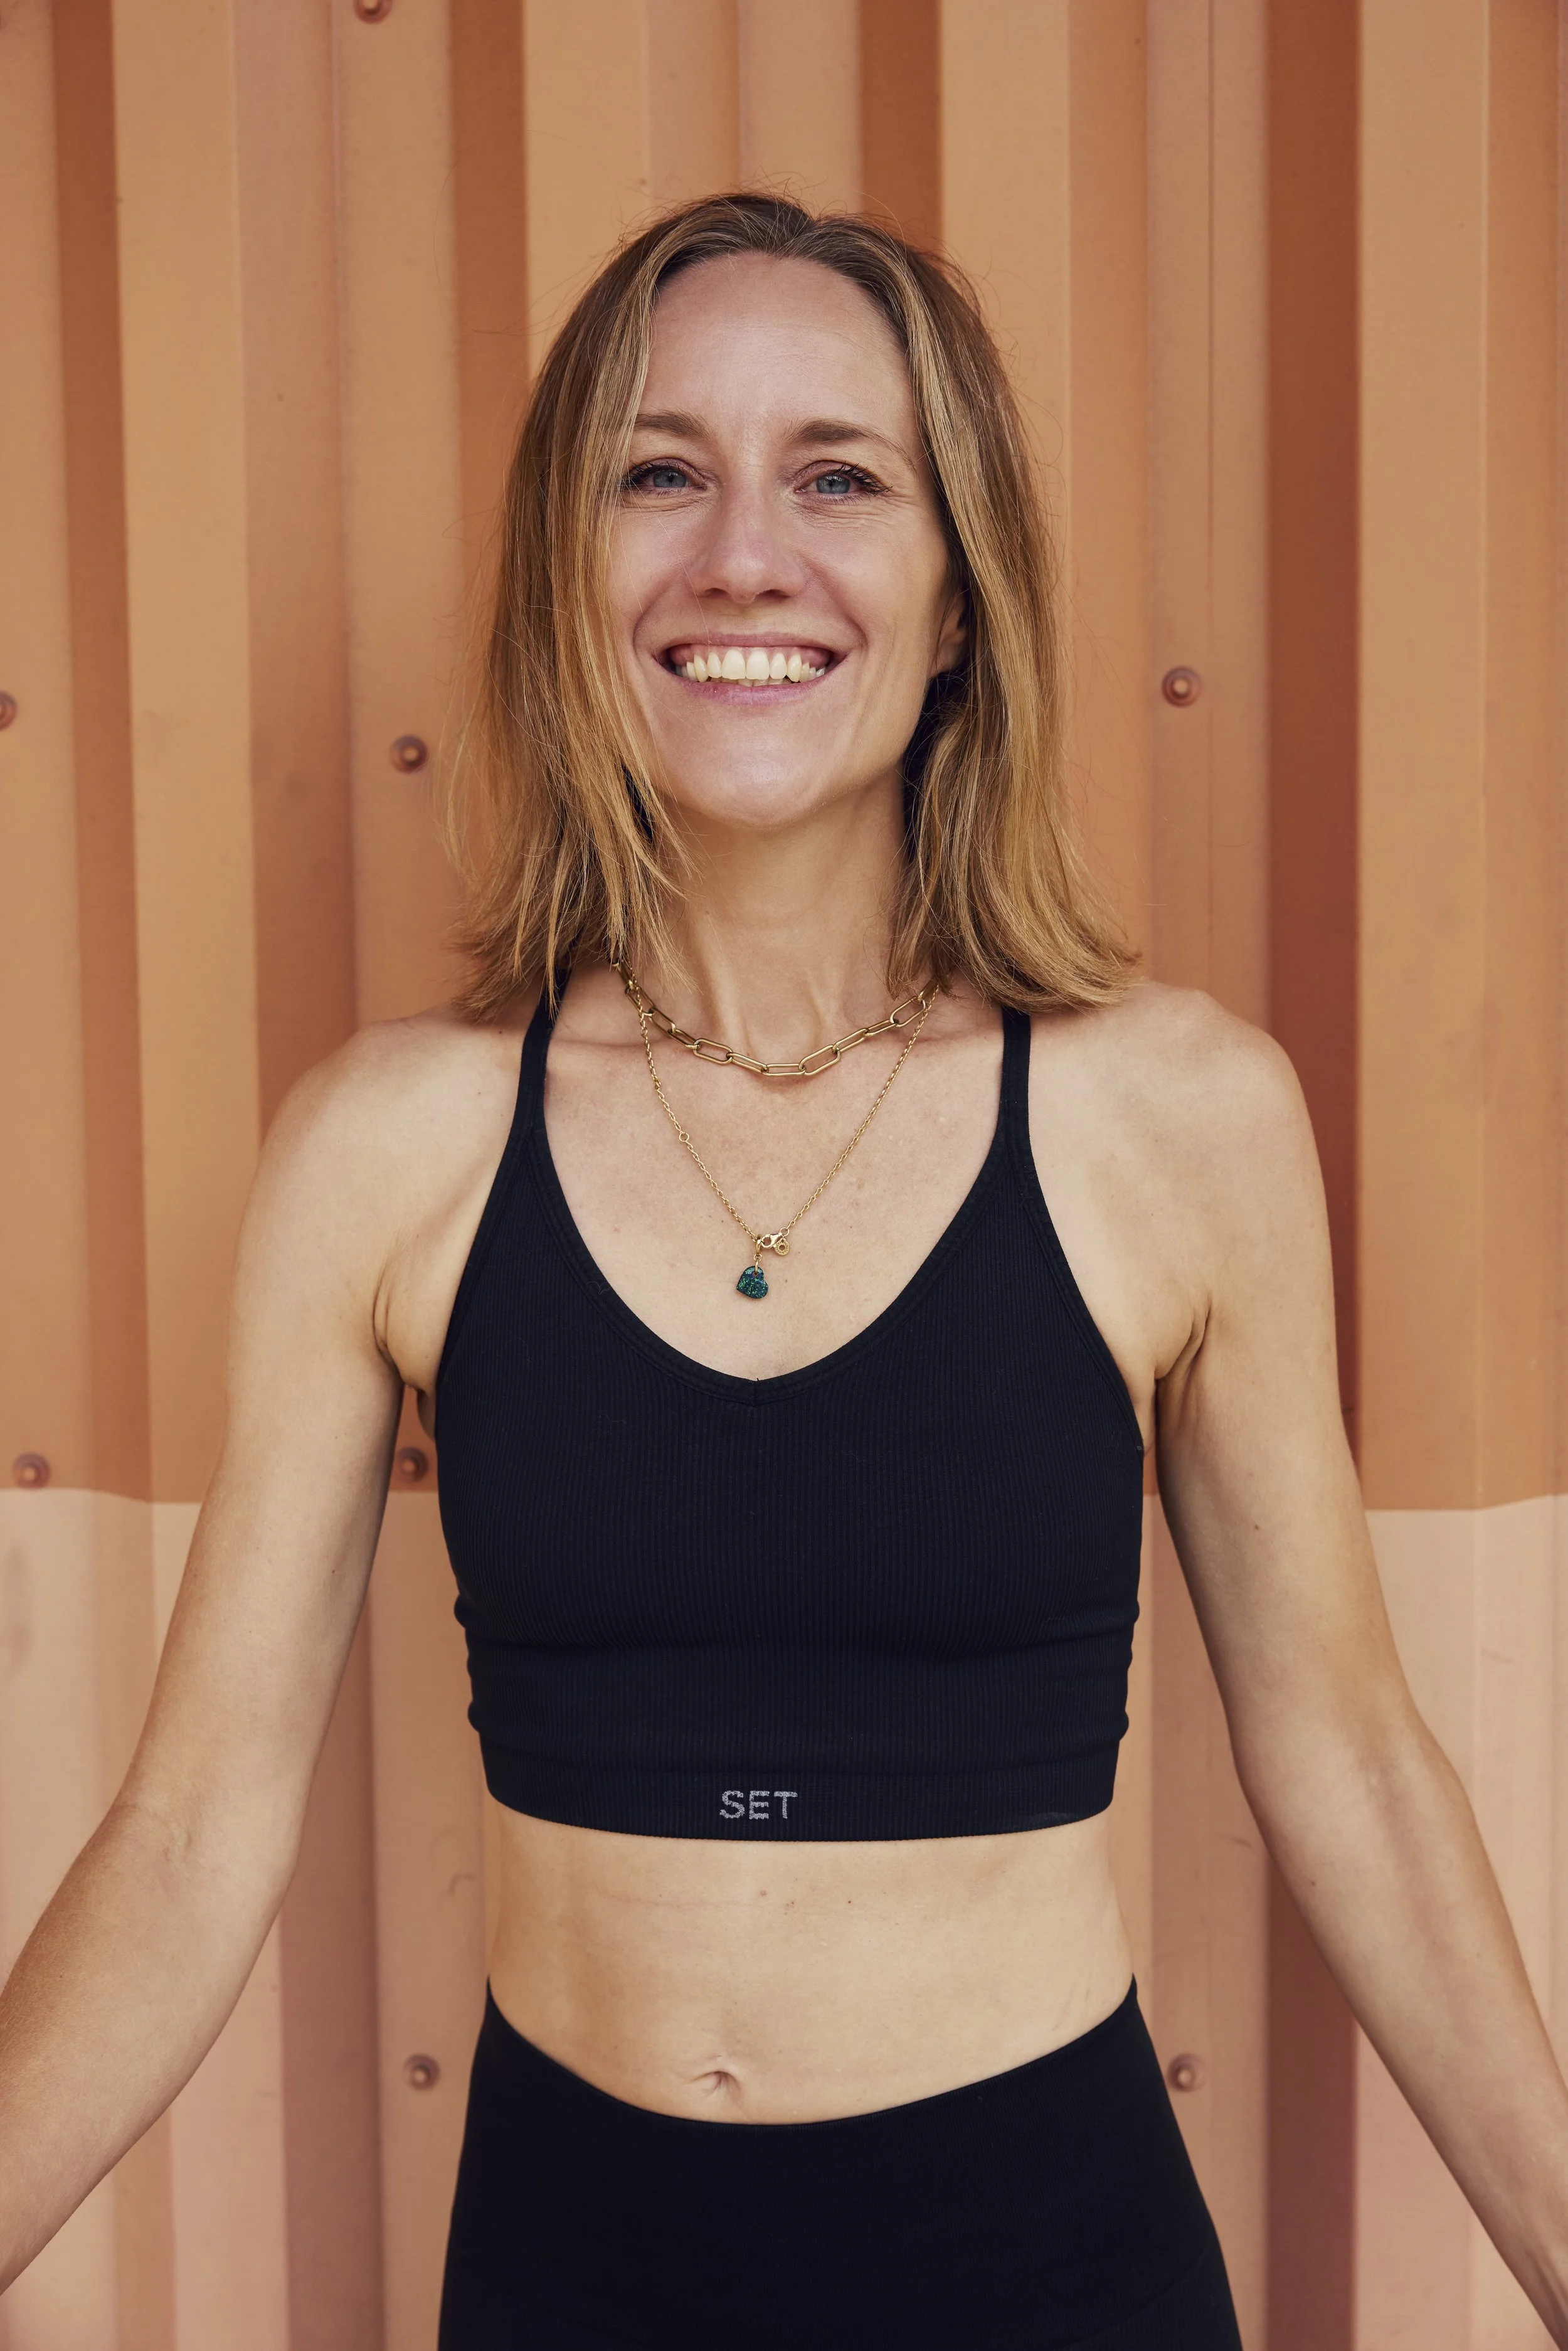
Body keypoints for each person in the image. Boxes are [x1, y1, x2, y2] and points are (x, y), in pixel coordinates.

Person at [2, 192, 1565, 2350]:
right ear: (575, 578)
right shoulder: (390, 1147)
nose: (745, 552)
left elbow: (1357, 1777)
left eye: (841, 475)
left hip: (1052, 2273)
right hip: (570, 2275)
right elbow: (188, 1846)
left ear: (954, 603)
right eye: (661, 472)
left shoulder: (1174, 1117)